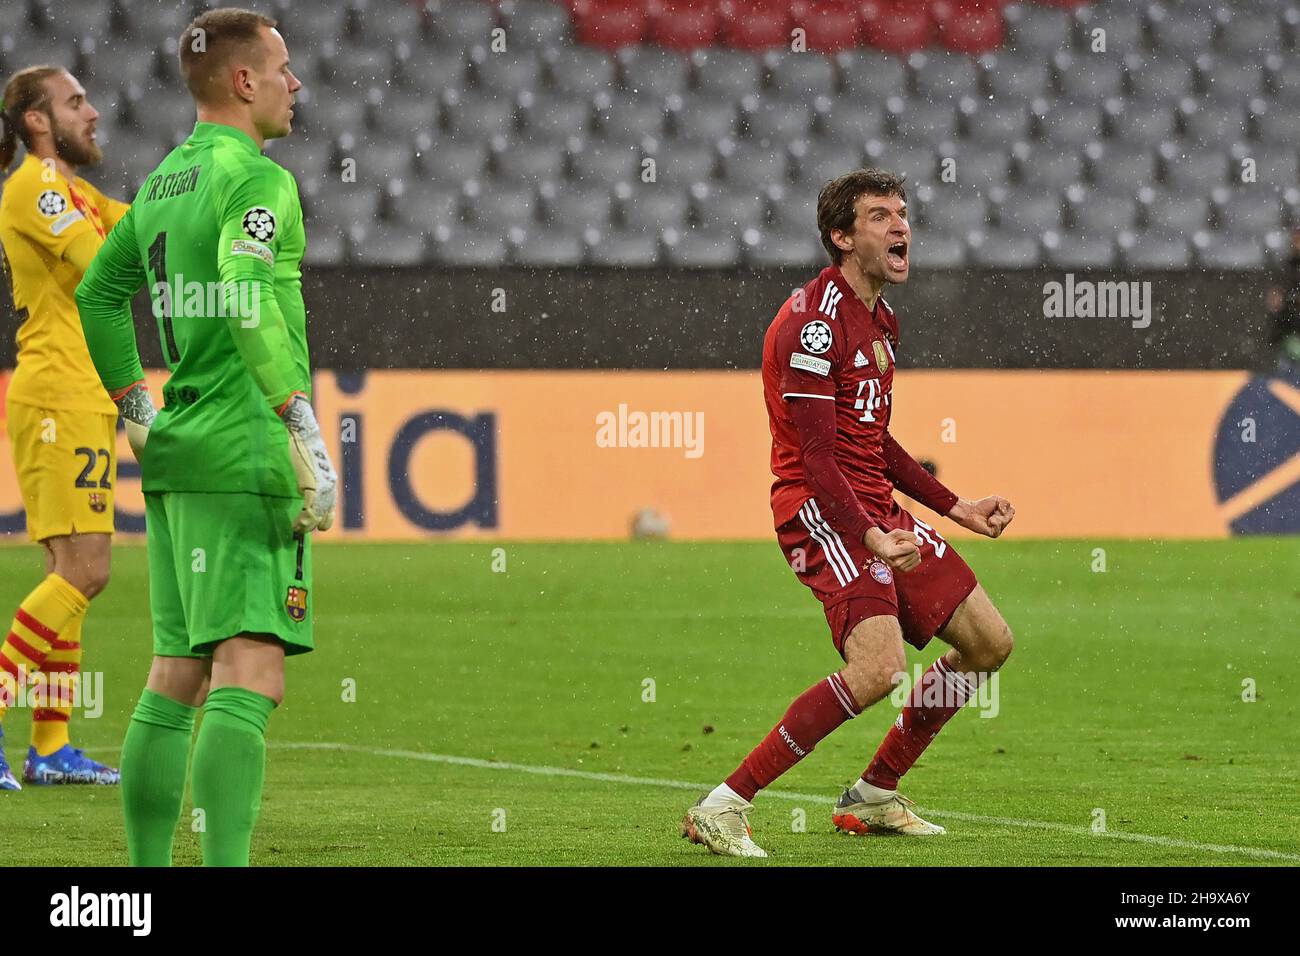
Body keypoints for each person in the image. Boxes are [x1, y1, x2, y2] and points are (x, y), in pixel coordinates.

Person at [683, 169, 1016, 858]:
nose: (900, 227)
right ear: (841, 237)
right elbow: (817, 460)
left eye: (902, 214)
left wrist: (957, 507)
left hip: (872, 508)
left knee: (987, 642)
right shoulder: (812, 323)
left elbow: (872, 441)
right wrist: (869, 535)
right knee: (877, 668)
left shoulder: (880, 318)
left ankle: (874, 795)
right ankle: (723, 806)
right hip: (819, 513)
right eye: (878, 217)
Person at [76, 7, 337, 865]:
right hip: (243, 450)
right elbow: (246, 289)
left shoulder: (161, 183)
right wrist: (296, 417)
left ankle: (144, 882)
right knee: (252, 673)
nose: (296, 83)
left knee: (174, 676)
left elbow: (98, 298)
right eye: (283, 67)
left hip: (180, 450)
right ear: (243, 80)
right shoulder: (255, 179)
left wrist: (138, 411)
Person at [0, 65, 128, 790]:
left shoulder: (77, 193)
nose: (95, 111)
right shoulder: (36, 189)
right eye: (78, 101)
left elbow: (139, 228)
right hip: (56, 398)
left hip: (81, 396)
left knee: (68, 576)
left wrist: (202, 183)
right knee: (86, 571)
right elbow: (104, 260)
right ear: (38, 121)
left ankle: (50, 747)